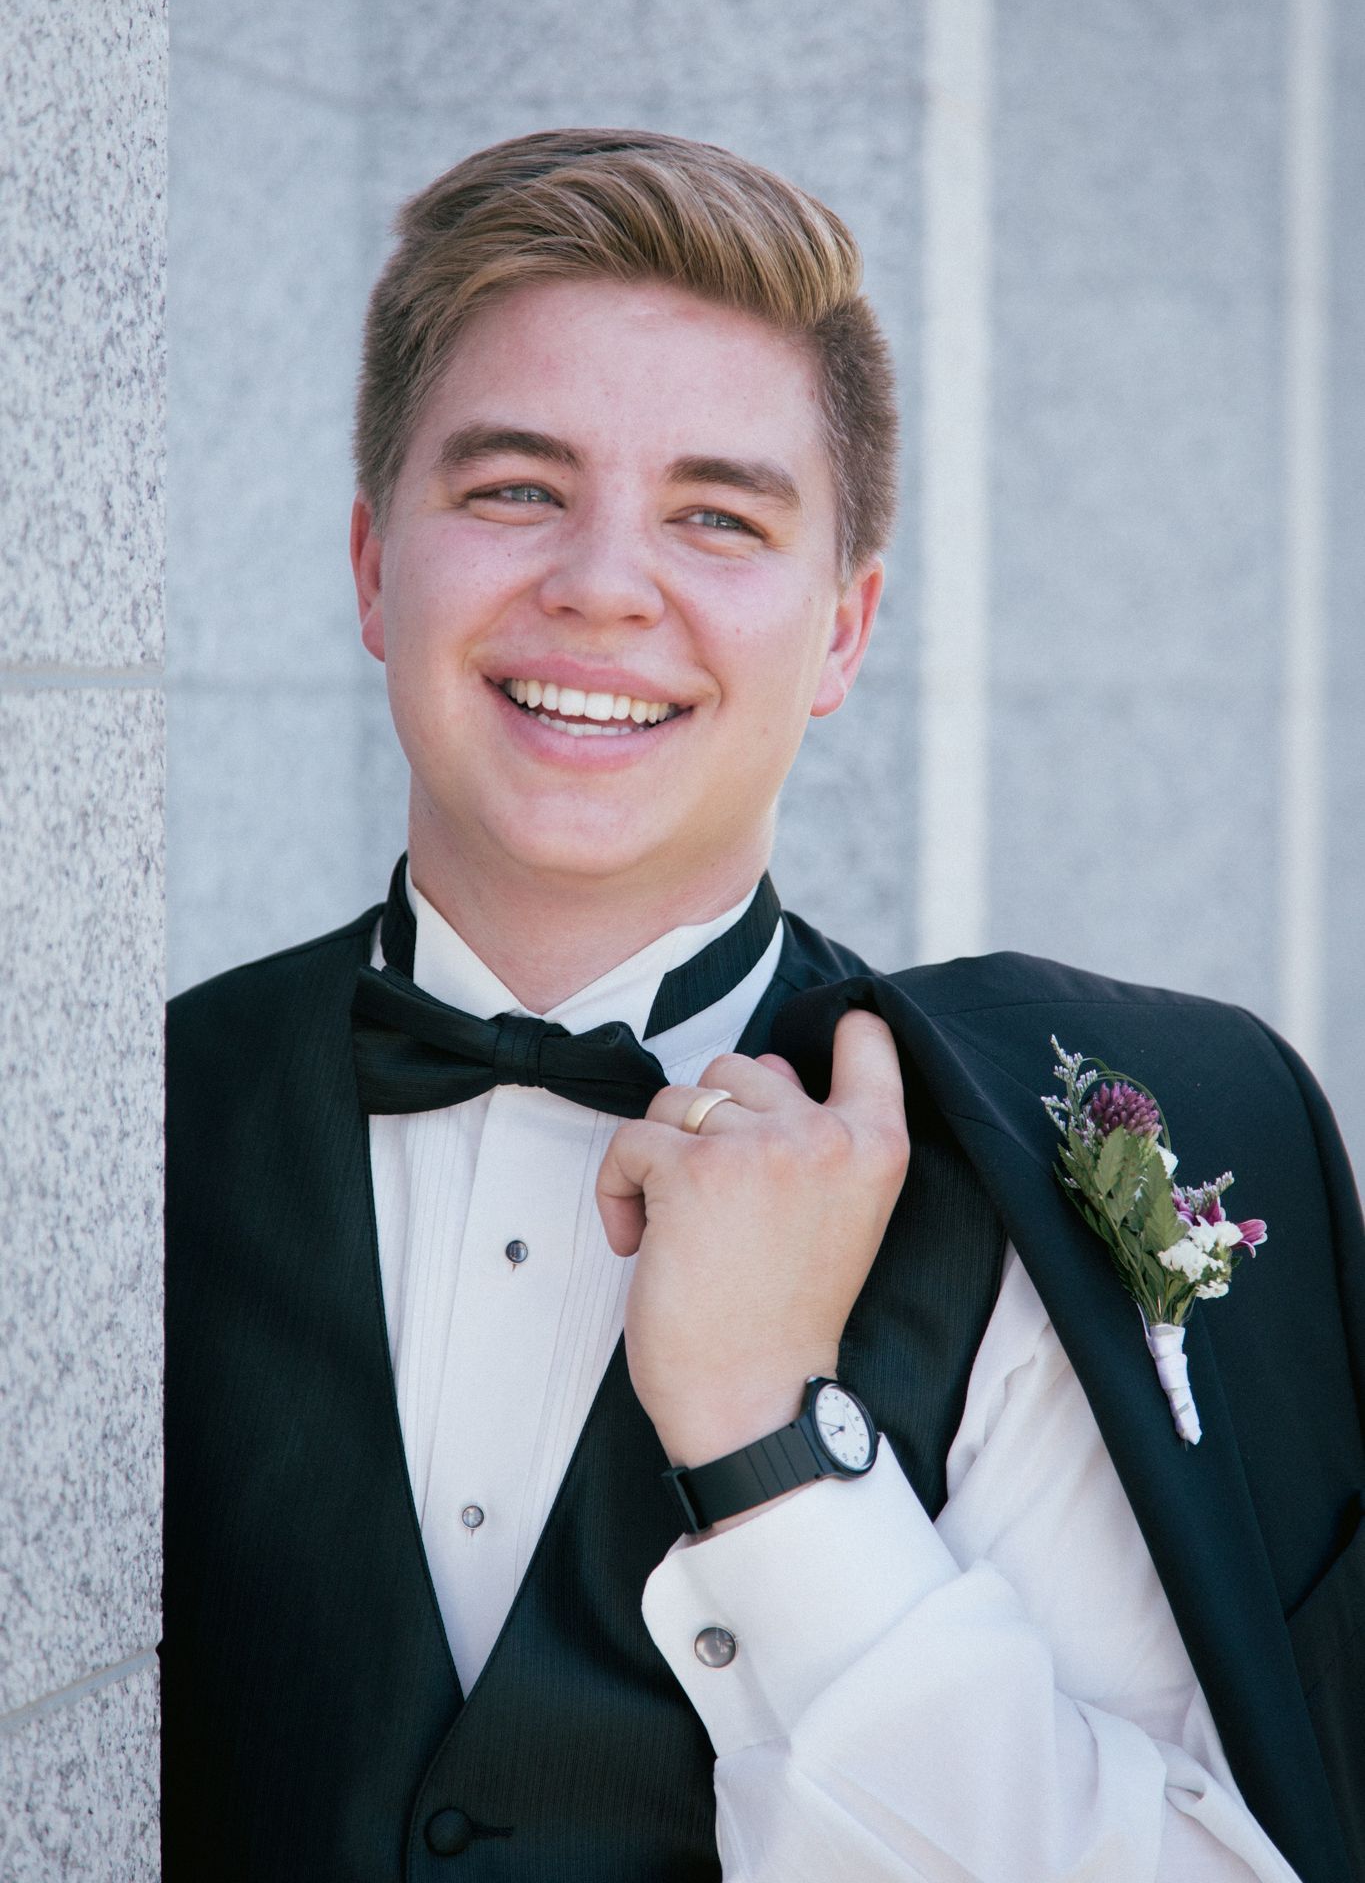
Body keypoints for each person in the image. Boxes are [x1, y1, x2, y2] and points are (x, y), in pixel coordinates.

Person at [162, 128, 1364, 1883]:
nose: (599, 583)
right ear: (368, 566)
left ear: (842, 632)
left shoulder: (1013, 1182)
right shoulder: (126, 1116)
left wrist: (766, 1438)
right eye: (512, 489)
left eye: (717, 516)